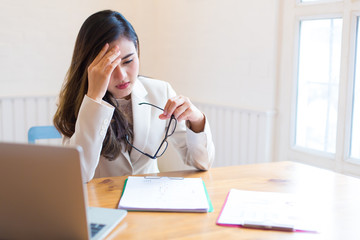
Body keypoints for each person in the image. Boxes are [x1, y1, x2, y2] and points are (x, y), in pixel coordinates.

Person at [53, 10, 215, 182]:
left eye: (128, 61)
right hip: (103, 204)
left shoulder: (161, 92)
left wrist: (197, 120)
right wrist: (94, 98)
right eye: (109, 66)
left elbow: (203, 162)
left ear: (137, 49)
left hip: (151, 200)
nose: (122, 76)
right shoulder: (79, 103)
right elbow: (79, 174)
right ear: (90, 67)